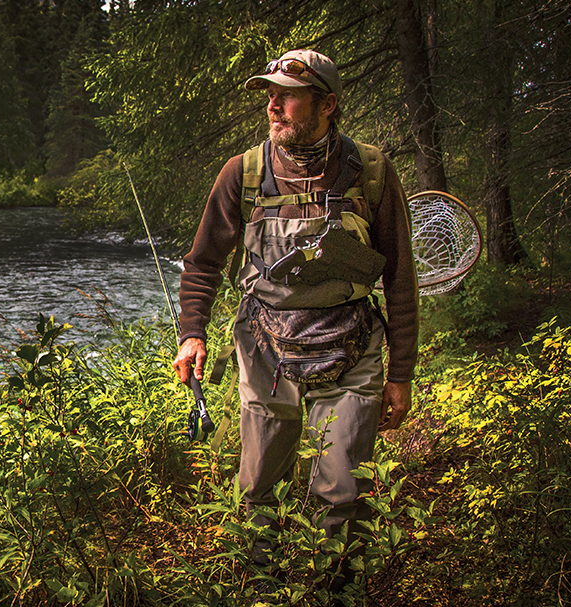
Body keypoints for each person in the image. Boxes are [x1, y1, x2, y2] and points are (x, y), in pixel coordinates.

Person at [171, 49, 419, 597]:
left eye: (288, 96)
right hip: (265, 354)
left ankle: (337, 590)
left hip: (352, 350)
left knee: (344, 488)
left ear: (327, 104)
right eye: (269, 95)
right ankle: (261, 587)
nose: (273, 106)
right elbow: (204, 262)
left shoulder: (372, 172)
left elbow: (399, 277)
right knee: (258, 486)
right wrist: (192, 334)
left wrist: (399, 374)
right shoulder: (243, 172)